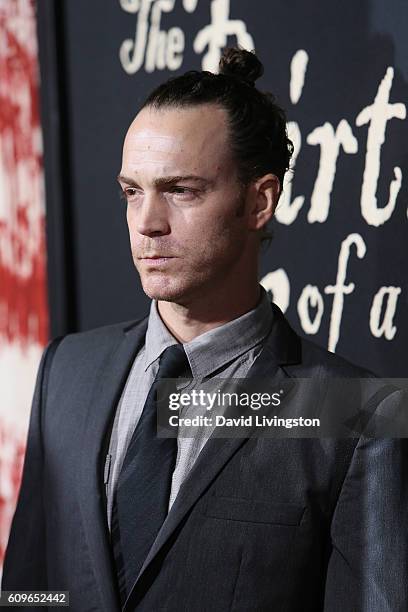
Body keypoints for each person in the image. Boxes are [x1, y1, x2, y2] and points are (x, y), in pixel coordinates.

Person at [2, 48, 407, 611]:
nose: (147, 223)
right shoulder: (67, 370)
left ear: (259, 201)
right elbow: (29, 589)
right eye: (132, 191)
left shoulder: (358, 415)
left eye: (181, 190)